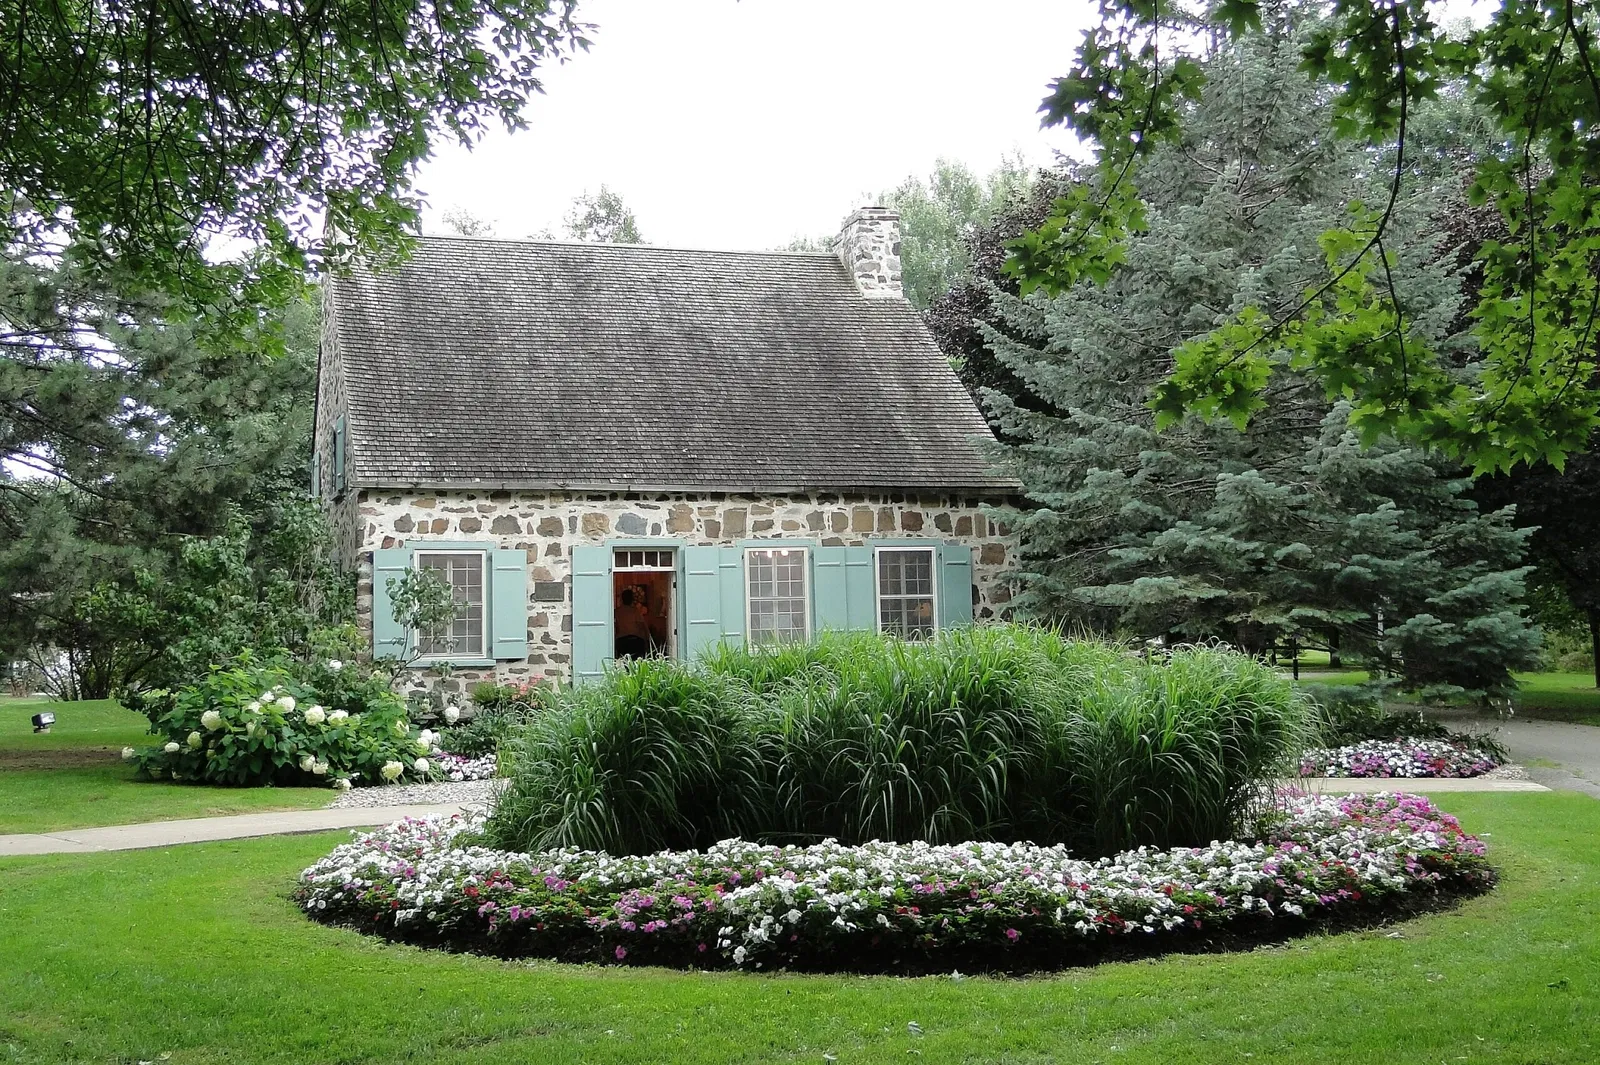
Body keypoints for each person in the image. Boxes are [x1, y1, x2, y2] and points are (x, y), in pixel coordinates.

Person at [614, 586, 651, 659]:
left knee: (624, 662)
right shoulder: (635, 611)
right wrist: (647, 640)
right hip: (635, 640)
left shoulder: (617, 612)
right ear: (631, 599)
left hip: (621, 641)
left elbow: (614, 627)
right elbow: (642, 626)